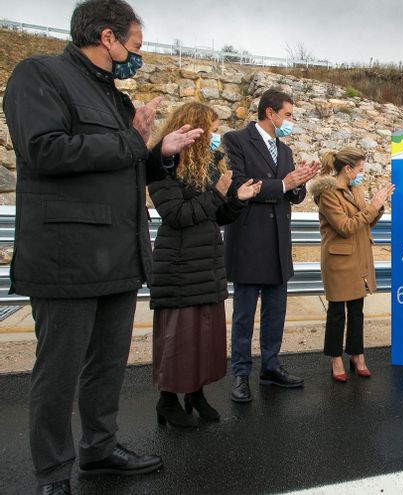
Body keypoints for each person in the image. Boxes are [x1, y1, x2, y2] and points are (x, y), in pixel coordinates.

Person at [2, 1, 203, 492]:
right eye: (134, 45)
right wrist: (135, 144)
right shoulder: (40, 75)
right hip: (66, 255)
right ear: (107, 37)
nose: (137, 55)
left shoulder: (115, 98)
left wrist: (160, 155)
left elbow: (126, 166)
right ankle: (53, 472)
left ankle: (99, 449)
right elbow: (43, 150)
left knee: (107, 364)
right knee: (58, 372)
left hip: (119, 254)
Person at [149, 103, 261, 427]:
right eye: (211, 129)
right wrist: (216, 195)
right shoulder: (163, 166)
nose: (216, 135)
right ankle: (167, 400)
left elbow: (219, 214)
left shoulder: (210, 165)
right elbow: (176, 215)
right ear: (194, 129)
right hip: (180, 264)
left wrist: (237, 198)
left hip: (207, 263)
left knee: (203, 336)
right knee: (179, 337)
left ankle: (195, 393)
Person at [223, 88, 321, 403]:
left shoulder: (287, 150)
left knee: (275, 313)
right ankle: (240, 373)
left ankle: (270, 366)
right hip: (250, 242)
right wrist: (284, 184)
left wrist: (300, 182)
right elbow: (239, 185)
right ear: (270, 113)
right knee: (244, 315)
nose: (290, 121)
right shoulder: (236, 140)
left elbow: (293, 195)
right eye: (288, 115)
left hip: (279, 244)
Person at [309, 147, 394, 382]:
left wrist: (378, 206)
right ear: (347, 168)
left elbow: (363, 223)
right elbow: (345, 226)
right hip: (338, 260)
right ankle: (335, 358)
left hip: (359, 258)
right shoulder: (328, 194)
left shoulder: (353, 188)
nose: (361, 174)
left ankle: (357, 355)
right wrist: (372, 206)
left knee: (357, 310)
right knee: (337, 312)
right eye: (359, 169)